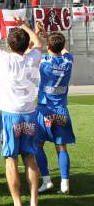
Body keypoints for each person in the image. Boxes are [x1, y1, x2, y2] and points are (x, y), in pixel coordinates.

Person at [0, 9, 43, 206]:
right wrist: (25, 25)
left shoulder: (5, 59)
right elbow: (39, 43)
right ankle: (33, 201)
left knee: (11, 160)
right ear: (26, 45)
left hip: (10, 114)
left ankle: (17, 204)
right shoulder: (32, 57)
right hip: (30, 113)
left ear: (9, 45)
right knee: (30, 158)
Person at [34, 31, 74, 194]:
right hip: (61, 110)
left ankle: (46, 180)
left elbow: (33, 50)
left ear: (49, 46)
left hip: (45, 110)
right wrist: (53, 39)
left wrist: (40, 36)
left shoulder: (43, 61)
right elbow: (65, 51)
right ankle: (65, 183)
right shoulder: (68, 61)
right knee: (61, 147)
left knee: (37, 146)